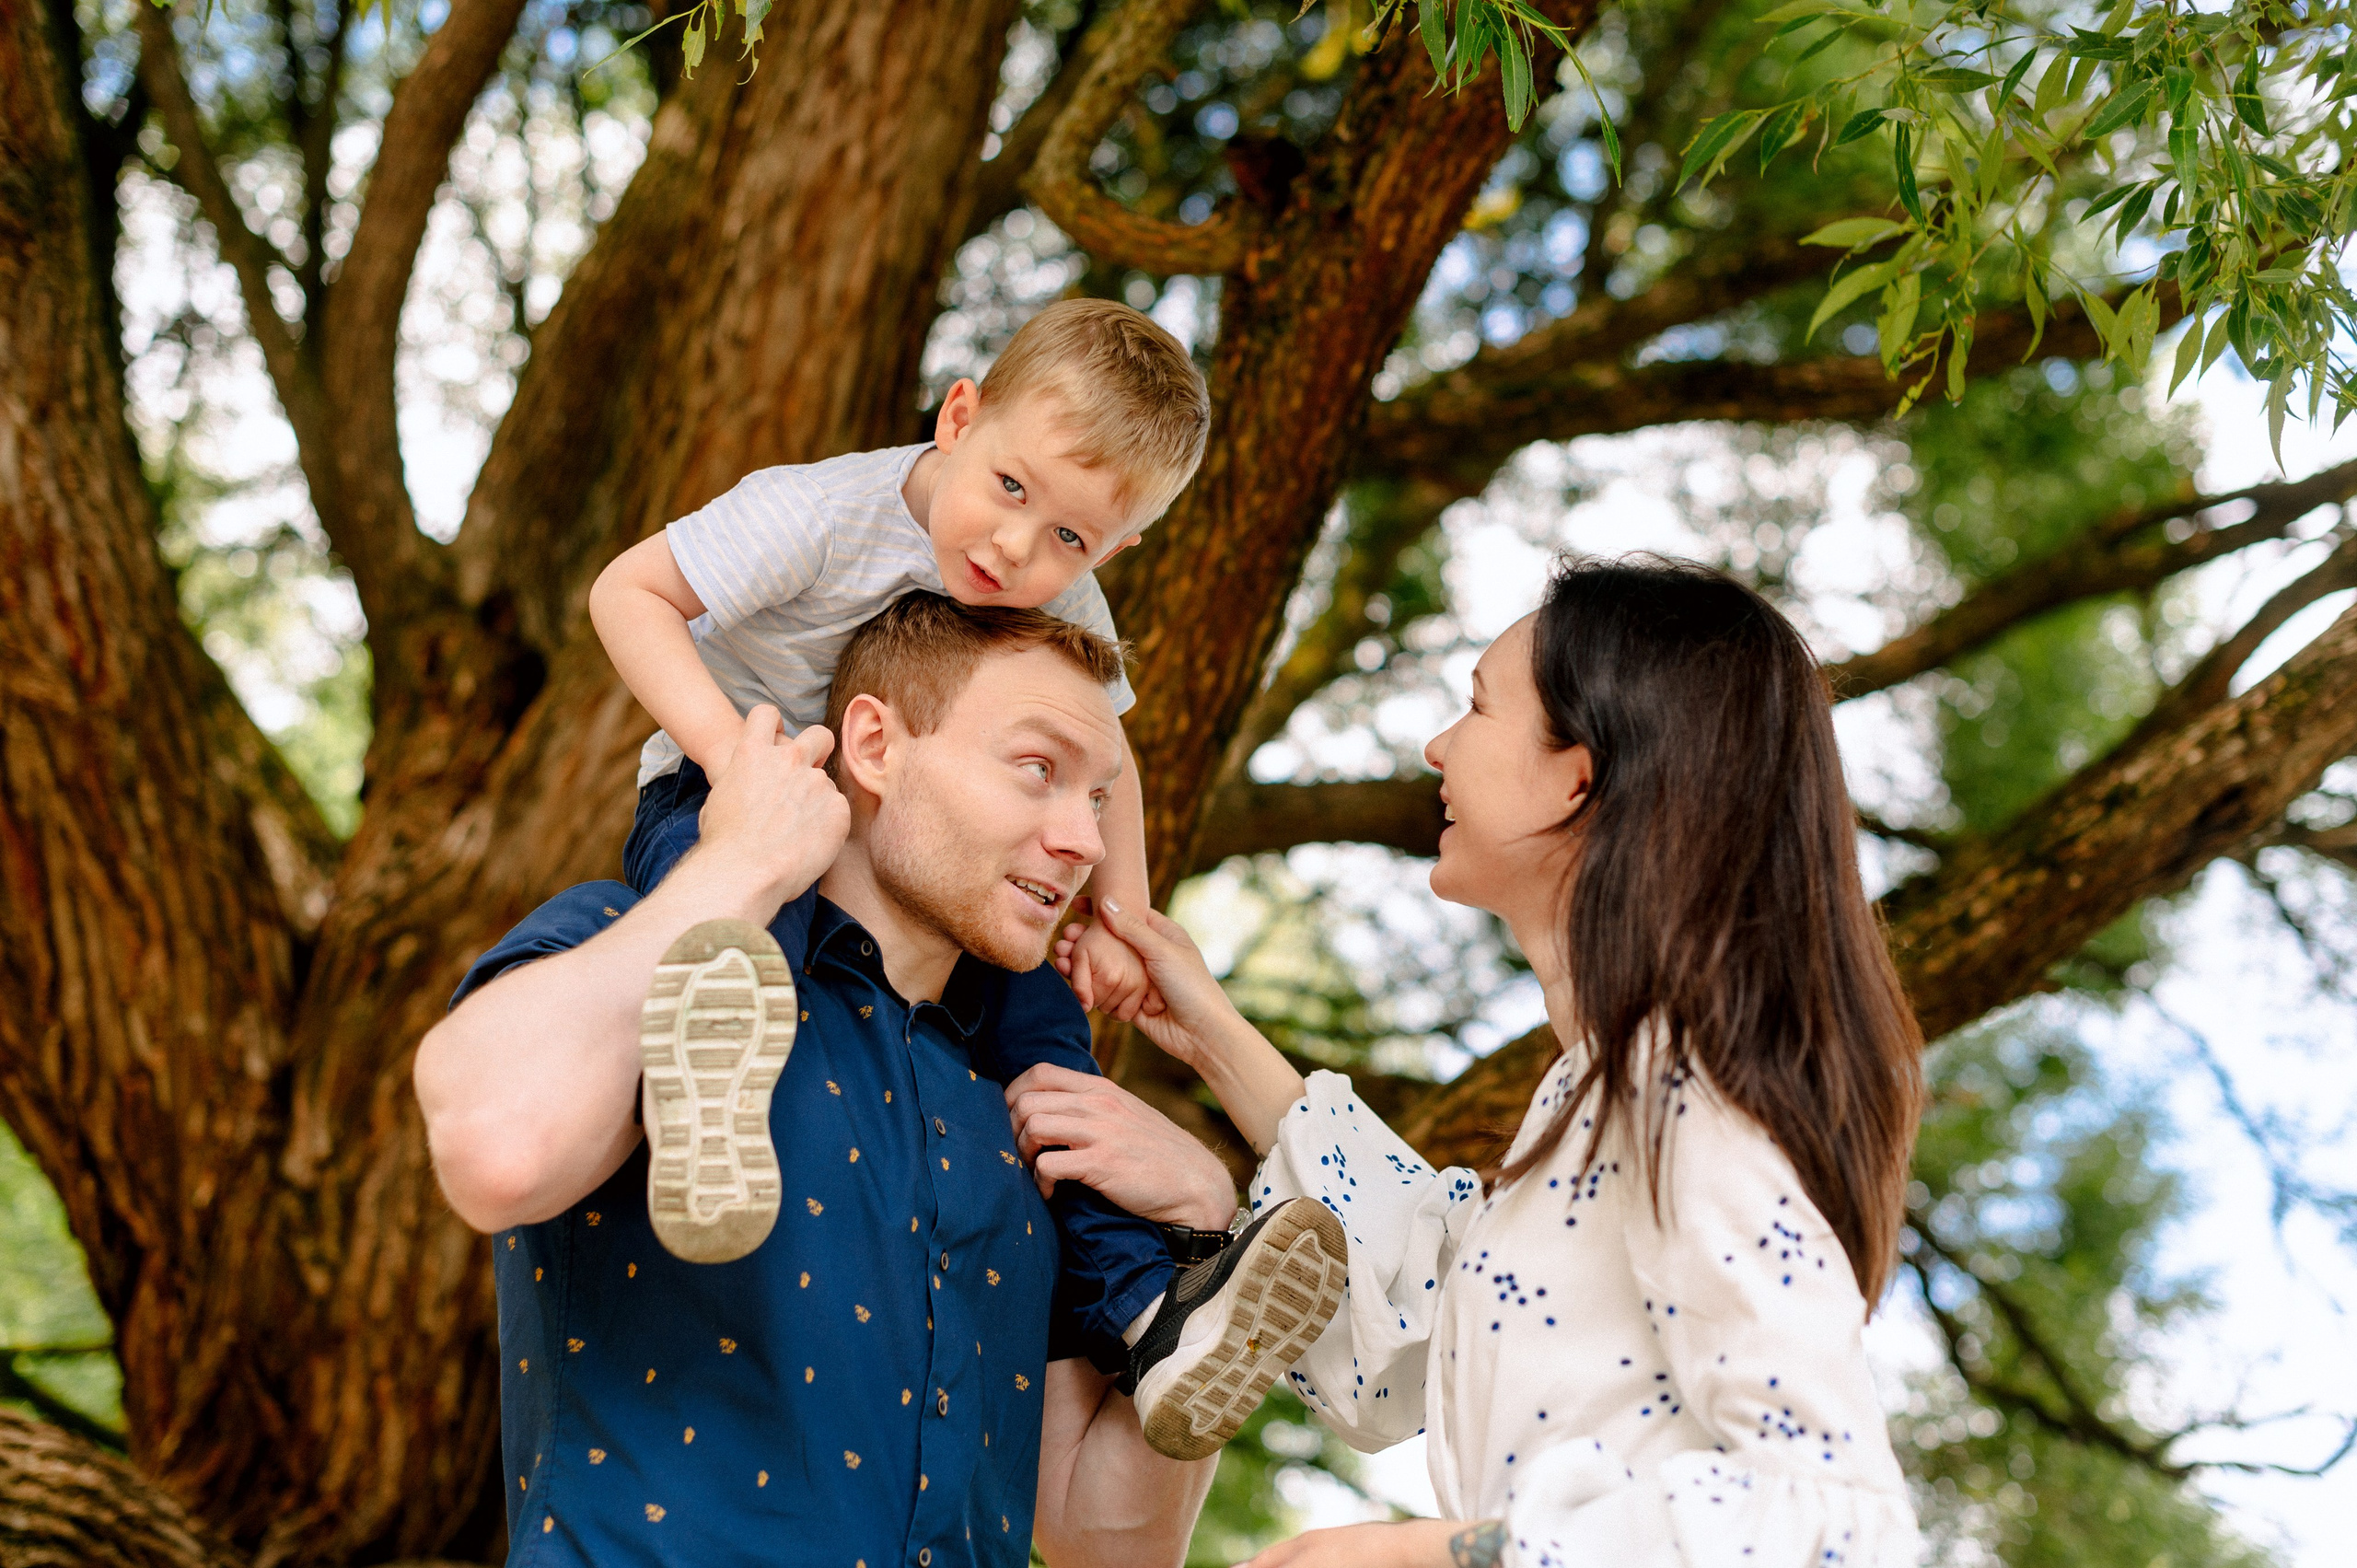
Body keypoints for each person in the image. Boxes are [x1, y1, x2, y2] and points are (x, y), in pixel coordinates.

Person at [1018, 557, 1928, 1567]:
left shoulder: (1684, 1087)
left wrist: (1439, 1554)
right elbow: (1431, 1310)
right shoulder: (1589, 1093)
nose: (1437, 744)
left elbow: (1831, 1516)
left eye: (1477, 707)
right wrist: (1211, 1032)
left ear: (1579, 772)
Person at [414, 596, 1345, 1566]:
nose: (1088, 843)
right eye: (1038, 770)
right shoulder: (623, 947)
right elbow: (497, 1149)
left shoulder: (1033, 1115)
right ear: (872, 746)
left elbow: (1108, 1542)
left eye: (1100, 797)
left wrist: (1197, 1231)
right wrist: (735, 860)